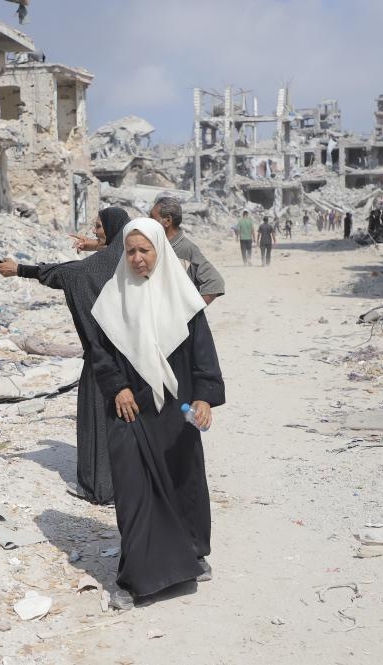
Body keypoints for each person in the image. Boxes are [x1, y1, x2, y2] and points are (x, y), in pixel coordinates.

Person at [88, 218, 225, 610]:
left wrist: (204, 398)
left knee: (183, 480)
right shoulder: (112, 298)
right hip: (129, 411)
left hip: (174, 410)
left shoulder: (183, 300)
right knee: (133, 490)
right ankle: (138, 579)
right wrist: (118, 386)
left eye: (144, 250)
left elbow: (203, 353)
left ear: (159, 252)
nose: (136, 258)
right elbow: (99, 353)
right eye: (130, 251)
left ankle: (192, 554)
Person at [0, 208, 131, 505]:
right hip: (137, 359)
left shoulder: (92, 268)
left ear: (113, 228)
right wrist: (97, 245)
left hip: (102, 358)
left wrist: (20, 269)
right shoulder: (138, 258)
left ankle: (100, 487)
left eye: (99, 226)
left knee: (97, 418)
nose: (94, 229)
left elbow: (66, 272)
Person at [150, 197, 225, 305]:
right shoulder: (158, 245)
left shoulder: (185, 248)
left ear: (167, 220)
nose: (148, 220)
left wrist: (190, 313)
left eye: (152, 217)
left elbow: (215, 282)